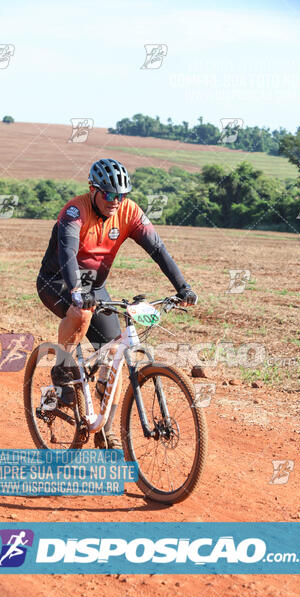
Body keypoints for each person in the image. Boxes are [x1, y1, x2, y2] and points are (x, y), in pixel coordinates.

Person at [36, 158, 197, 449]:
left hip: (94, 287)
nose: (115, 201)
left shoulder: (129, 212)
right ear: (92, 189)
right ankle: (62, 368)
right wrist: (75, 290)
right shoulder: (75, 211)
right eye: (109, 194)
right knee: (81, 313)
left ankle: (105, 429)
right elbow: (69, 255)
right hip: (57, 281)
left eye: (121, 195)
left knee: (116, 353)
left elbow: (157, 249)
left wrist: (182, 287)